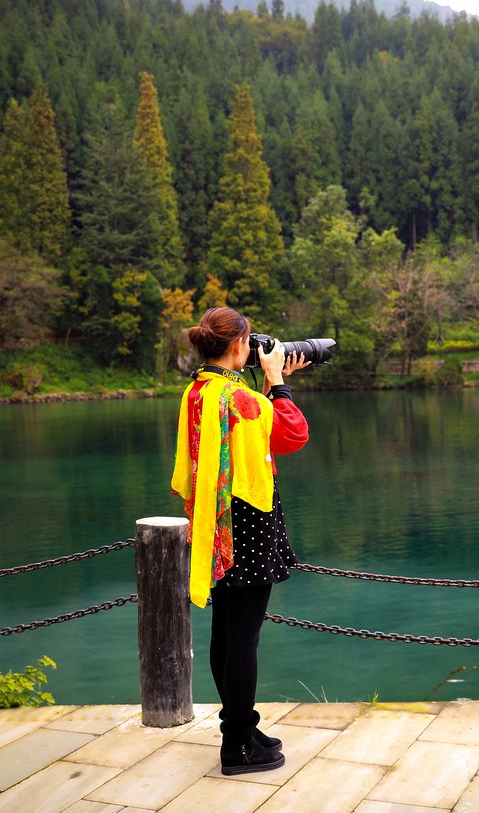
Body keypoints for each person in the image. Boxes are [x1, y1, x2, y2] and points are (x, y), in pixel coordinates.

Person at [171, 306, 310, 776]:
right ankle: (238, 749)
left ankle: (243, 728)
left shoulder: (198, 389)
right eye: (249, 342)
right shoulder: (243, 398)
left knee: (225, 635)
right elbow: (292, 435)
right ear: (237, 347)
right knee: (244, 640)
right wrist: (280, 383)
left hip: (214, 518)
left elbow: (253, 431)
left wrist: (268, 386)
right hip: (248, 521)